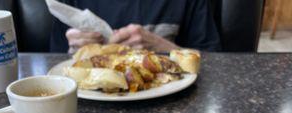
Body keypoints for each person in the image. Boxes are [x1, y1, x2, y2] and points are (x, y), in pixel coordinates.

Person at [50, 0, 221, 54]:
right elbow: (53, 63)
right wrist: (74, 49)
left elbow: (217, 65)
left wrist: (167, 49)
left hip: (173, 103)